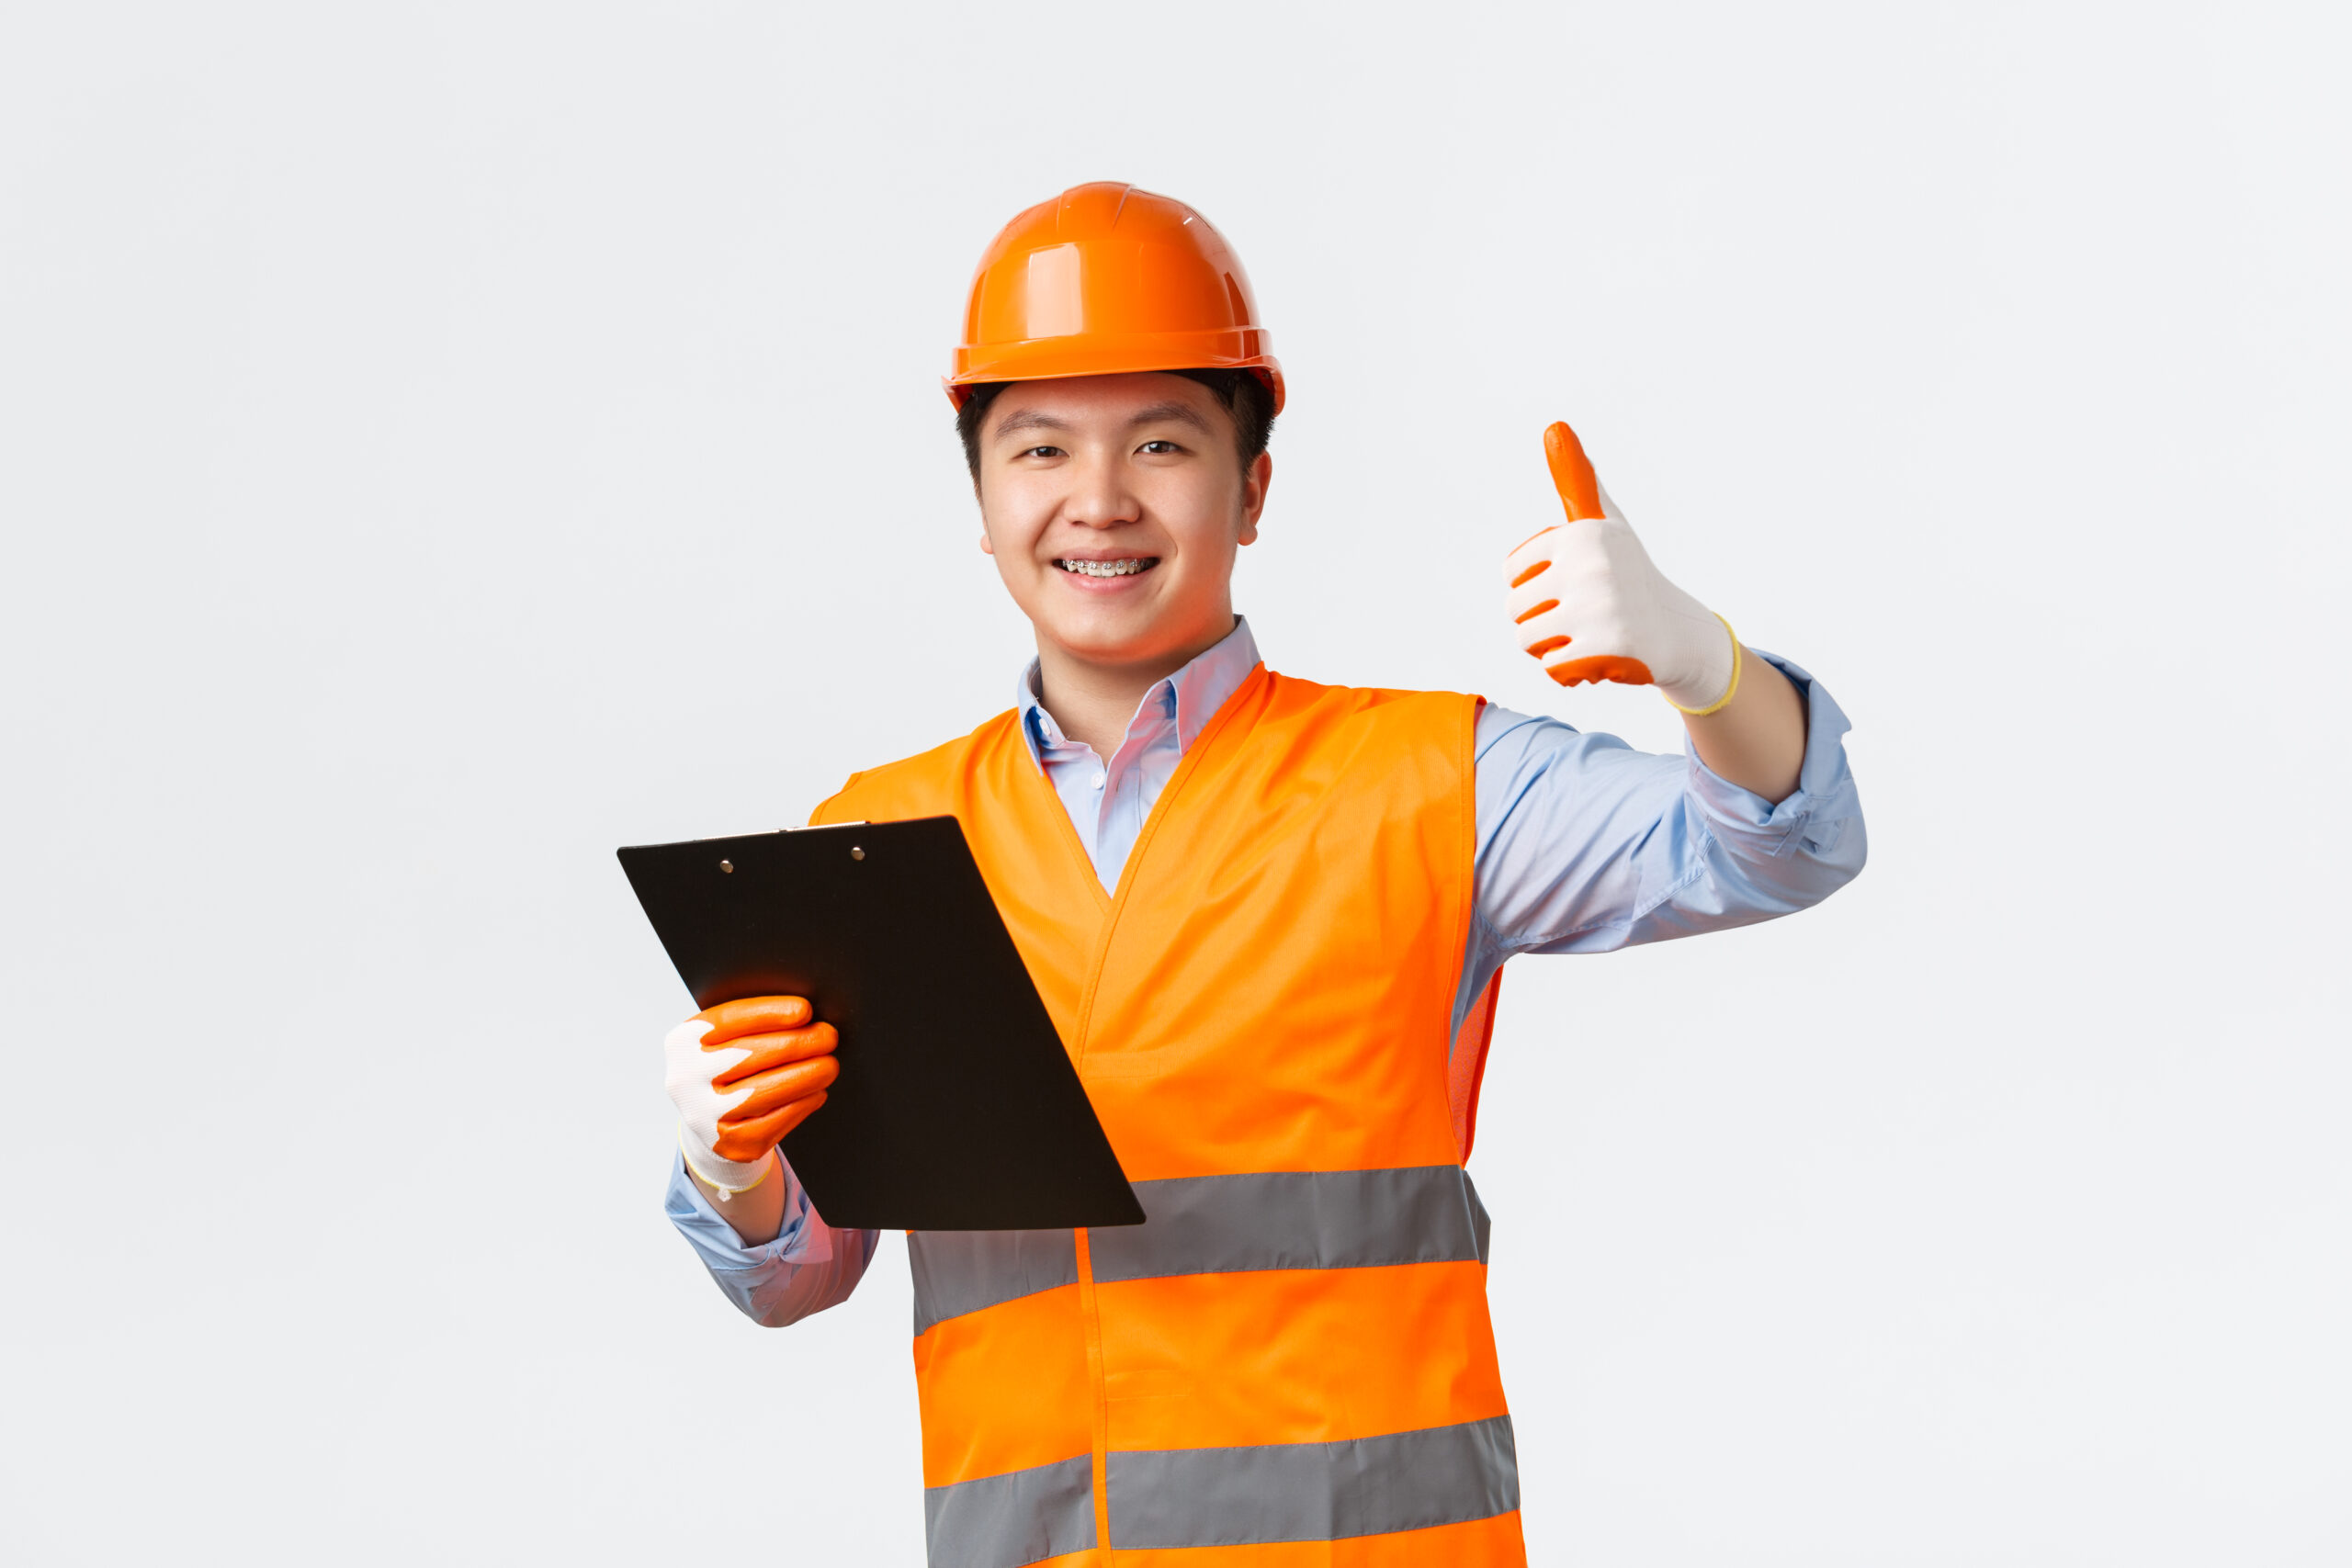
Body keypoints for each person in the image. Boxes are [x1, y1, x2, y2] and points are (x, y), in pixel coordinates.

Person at [660, 182, 1865, 1567]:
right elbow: (802, 1271)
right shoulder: (879, 841)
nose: (1097, 502)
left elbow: (1785, 840)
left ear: (1253, 485)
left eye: (1160, 442)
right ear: (983, 499)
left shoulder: (1433, 784)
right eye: (1040, 449)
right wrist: (731, 1159)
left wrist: (1702, 664)